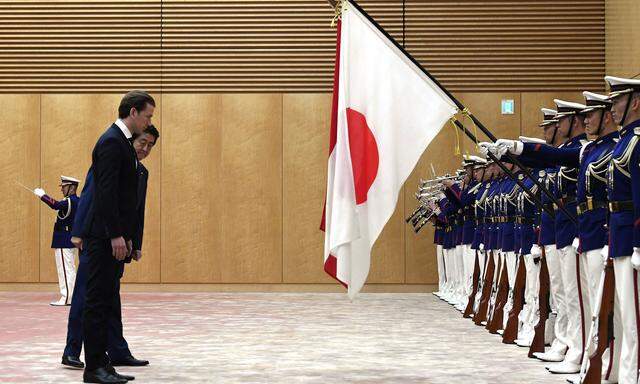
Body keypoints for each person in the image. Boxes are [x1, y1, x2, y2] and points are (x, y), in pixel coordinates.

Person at [62, 125, 158, 371]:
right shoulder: (111, 160)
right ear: (131, 141)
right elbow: (91, 196)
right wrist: (78, 233)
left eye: (150, 146)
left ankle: (117, 350)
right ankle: (71, 350)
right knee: (86, 294)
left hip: (119, 244)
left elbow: (137, 211)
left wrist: (136, 242)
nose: (145, 149)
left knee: (111, 296)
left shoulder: (141, 172)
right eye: (142, 143)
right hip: (96, 237)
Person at [81, 90, 155, 384]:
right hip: (104, 238)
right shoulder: (112, 142)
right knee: (97, 302)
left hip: (113, 237)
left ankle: (104, 364)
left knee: (107, 300)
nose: (149, 121)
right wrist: (115, 235)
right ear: (133, 112)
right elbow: (106, 195)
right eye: (148, 115)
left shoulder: (121, 143)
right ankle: (94, 367)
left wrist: (127, 236)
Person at [33, 175, 81, 306]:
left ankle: (66, 298)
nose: (62, 189)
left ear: (72, 188)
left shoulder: (69, 201)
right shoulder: (78, 200)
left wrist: (43, 196)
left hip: (63, 240)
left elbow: (55, 205)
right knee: (70, 269)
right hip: (69, 239)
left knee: (65, 269)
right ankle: (71, 296)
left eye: (64, 187)